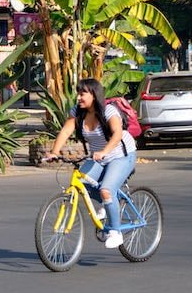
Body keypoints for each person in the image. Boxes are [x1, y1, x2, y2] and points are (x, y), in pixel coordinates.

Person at [45, 77, 137, 249]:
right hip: (98, 158)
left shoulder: (108, 111)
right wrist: (55, 152)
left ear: (94, 95)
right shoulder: (77, 112)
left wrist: (104, 151)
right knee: (82, 183)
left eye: (83, 94)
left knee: (105, 189)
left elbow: (117, 134)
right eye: (78, 94)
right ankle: (108, 202)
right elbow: (66, 131)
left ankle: (115, 232)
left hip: (121, 156)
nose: (79, 98)